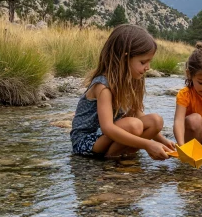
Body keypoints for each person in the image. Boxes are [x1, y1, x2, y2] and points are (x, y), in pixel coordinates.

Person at [70, 24, 175, 160]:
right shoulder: (103, 86)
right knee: (134, 125)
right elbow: (107, 128)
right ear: (124, 58)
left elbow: (136, 113)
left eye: (149, 62)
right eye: (143, 62)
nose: (147, 67)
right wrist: (148, 144)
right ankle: (111, 159)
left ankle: (124, 156)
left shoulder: (132, 80)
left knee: (156, 121)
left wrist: (164, 142)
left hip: (107, 137)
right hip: (87, 142)